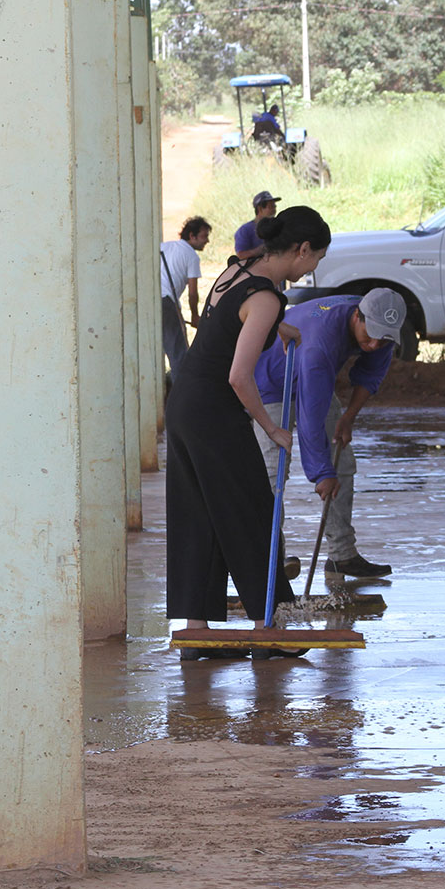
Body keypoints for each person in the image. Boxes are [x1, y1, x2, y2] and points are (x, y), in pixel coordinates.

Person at [164, 205, 330, 647]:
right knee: (253, 508)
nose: (313, 268)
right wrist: (272, 428)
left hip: (183, 402)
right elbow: (239, 375)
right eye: (316, 259)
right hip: (214, 409)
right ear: (302, 249)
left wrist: (281, 329)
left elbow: (226, 325)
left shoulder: (238, 271)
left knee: (199, 512)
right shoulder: (267, 298)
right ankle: (268, 623)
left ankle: (196, 629)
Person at [251, 289, 406, 579]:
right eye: (370, 335)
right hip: (269, 381)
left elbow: (370, 375)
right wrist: (321, 472)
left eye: (382, 339)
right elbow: (310, 417)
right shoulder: (320, 344)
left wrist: (348, 417)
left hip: (313, 376)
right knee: (273, 470)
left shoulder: (380, 331)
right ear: (357, 316)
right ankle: (271, 559)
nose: (374, 344)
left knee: (342, 462)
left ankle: (342, 556)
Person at [159, 216, 211, 383]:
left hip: (151, 300)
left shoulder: (163, 246)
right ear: (192, 236)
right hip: (167, 302)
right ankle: (180, 400)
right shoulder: (191, 256)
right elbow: (193, 293)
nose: (207, 241)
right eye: (204, 236)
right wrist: (195, 316)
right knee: (179, 355)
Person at [234, 191, 281, 260]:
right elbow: (240, 255)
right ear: (260, 209)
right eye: (271, 207)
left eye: (274, 207)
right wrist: (258, 251)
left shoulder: (279, 226)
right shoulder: (245, 230)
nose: (274, 210)